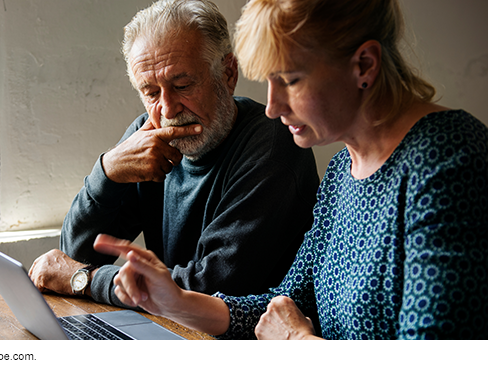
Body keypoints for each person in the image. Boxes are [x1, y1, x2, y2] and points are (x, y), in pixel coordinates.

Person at [94, 0, 488, 339]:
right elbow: (286, 303)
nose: (272, 107)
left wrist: (299, 344)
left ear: (364, 65)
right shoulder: (342, 172)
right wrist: (175, 301)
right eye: (268, 80)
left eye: (290, 80)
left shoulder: (448, 161)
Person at [28, 0, 320, 307]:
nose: (167, 109)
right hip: (172, 331)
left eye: (182, 85)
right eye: (151, 93)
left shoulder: (273, 148)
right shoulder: (148, 136)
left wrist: (85, 281)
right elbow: (76, 254)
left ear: (228, 74)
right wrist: (107, 171)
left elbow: (208, 290)